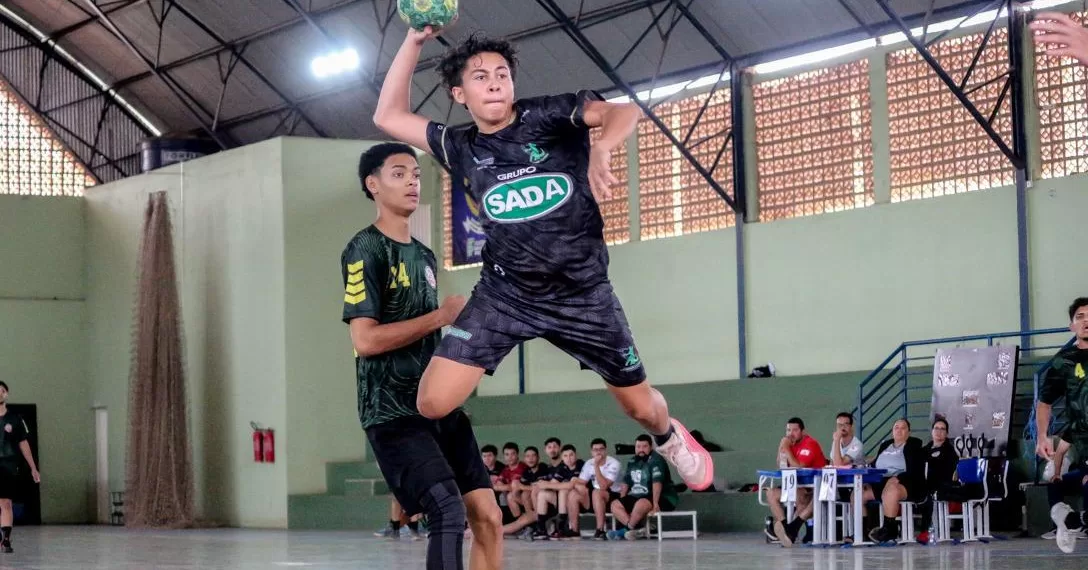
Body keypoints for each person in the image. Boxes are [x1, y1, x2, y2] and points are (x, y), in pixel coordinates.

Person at [372, 24, 713, 494]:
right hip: (505, 295)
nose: (494, 83)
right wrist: (413, 41)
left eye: (502, 74)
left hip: (583, 295)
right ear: (459, 93)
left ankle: (670, 437)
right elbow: (388, 114)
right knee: (431, 402)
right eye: (480, 77)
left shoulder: (550, 115)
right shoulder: (460, 146)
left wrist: (602, 147)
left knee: (640, 408)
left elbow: (622, 110)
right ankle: (459, 486)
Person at [341, 143, 502, 570]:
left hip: (440, 408)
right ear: (372, 185)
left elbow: (434, 338)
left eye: (415, 174)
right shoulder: (364, 249)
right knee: (447, 512)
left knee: (488, 517)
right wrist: (439, 317)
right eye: (399, 174)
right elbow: (366, 341)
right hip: (393, 415)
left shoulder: (425, 255)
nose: (412, 182)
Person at [1034, 297, 1088, 554]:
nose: (1086, 320)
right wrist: (1042, 436)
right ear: (1072, 326)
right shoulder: (1063, 361)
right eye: (1080, 316)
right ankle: (1068, 518)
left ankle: (1070, 520)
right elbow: (1044, 403)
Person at [766, 417, 826, 547]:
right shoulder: (789, 444)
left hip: (816, 486)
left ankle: (792, 528)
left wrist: (786, 448)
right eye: (788, 430)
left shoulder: (810, 443)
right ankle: (785, 527)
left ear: (803, 431)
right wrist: (781, 447)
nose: (790, 434)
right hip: (796, 485)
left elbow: (800, 466)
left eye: (795, 430)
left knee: (802, 496)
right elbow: (781, 465)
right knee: (771, 493)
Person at [864, 419, 926, 544]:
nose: (899, 430)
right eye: (896, 427)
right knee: (858, 494)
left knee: (891, 491)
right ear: (892, 431)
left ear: (908, 432)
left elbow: (916, 469)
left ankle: (889, 528)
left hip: (906, 482)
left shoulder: (914, 445)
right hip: (881, 480)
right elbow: (875, 463)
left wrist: (898, 478)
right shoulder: (885, 445)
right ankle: (863, 531)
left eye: (903, 428)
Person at [607, 434, 678, 541]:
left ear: (651, 447)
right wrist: (622, 500)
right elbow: (626, 483)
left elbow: (657, 483)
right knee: (615, 504)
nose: (641, 450)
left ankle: (624, 531)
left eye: (644, 446)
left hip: (663, 497)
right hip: (638, 496)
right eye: (638, 447)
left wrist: (655, 504)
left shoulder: (656, 460)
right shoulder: (632, 461)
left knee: (641, 503)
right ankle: (636, 529)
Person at [0, 381, 40, 554]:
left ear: (6, 394)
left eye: (1, 391)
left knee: (6, 502)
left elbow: (24, 444)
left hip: (8, 465)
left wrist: (33, 468)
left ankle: (5, 540)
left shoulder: (15, 420)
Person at [916, 417, 958, 544]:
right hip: (924, 483)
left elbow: (948, 471)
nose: (939, 431)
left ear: (947, 433)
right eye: (936, 428)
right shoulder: (923, 450)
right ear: (932, 431)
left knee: (929, 494)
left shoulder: (950, 451)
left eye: (942, 429)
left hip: (942, 485)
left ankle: (926, 531)